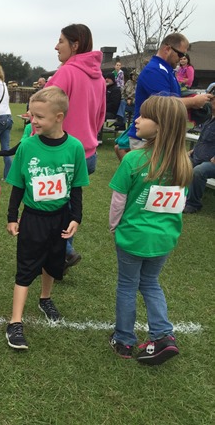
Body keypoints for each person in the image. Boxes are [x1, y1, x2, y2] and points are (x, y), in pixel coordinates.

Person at [108, 96, 192, 365]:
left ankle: (124, 339)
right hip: (164, 239)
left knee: (127, 285)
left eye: (144, 116)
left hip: (133, 236)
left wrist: (114, 226)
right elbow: (179, 204)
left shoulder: (134, 160)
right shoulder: (184, 164)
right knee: (150, 282)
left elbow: (118, 200)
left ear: (161, 126)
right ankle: (163, 335)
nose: (137, 120)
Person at [4, 87, 89, 350]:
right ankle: (15, 322)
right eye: (32, 115)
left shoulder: (75, 147)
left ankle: (45, 298)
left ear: (58, 117)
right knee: (26, 266)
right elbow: (18, 185)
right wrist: (12, 216)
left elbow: (76, 187)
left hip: (60, 218)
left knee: (53, 262)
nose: (33, 120)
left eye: (39, 116)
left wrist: (76, 217)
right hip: (33, 218)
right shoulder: (27, 146)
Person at [45, 23, 106, 271]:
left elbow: (45, 112)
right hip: (88, 153)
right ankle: (64, 250)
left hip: (62, 152)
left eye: (61, 41)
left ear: (75, 45)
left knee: (53, 205)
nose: (56, 46)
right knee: (69, 202)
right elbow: (100, 117)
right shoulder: (99, 78)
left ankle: (62, 251)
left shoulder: (66, 73)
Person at [127, 33, 212, 151]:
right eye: (180, 54)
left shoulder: (166, 70)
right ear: (167, 49)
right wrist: (194, 101)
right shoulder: (154, 70)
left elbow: (173, 98)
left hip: (158, 136)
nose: (181, 59)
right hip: (147, 138)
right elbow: (165, 104)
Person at [183, 87, 215, 214]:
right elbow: (203, 140)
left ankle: (193, 204)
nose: (211, 101)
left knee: (199, 171)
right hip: (199, 157)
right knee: (179, 162)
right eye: (211, 99)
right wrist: (192, 151)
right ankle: (178, 196)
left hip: (211, 162)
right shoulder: (209, 119)